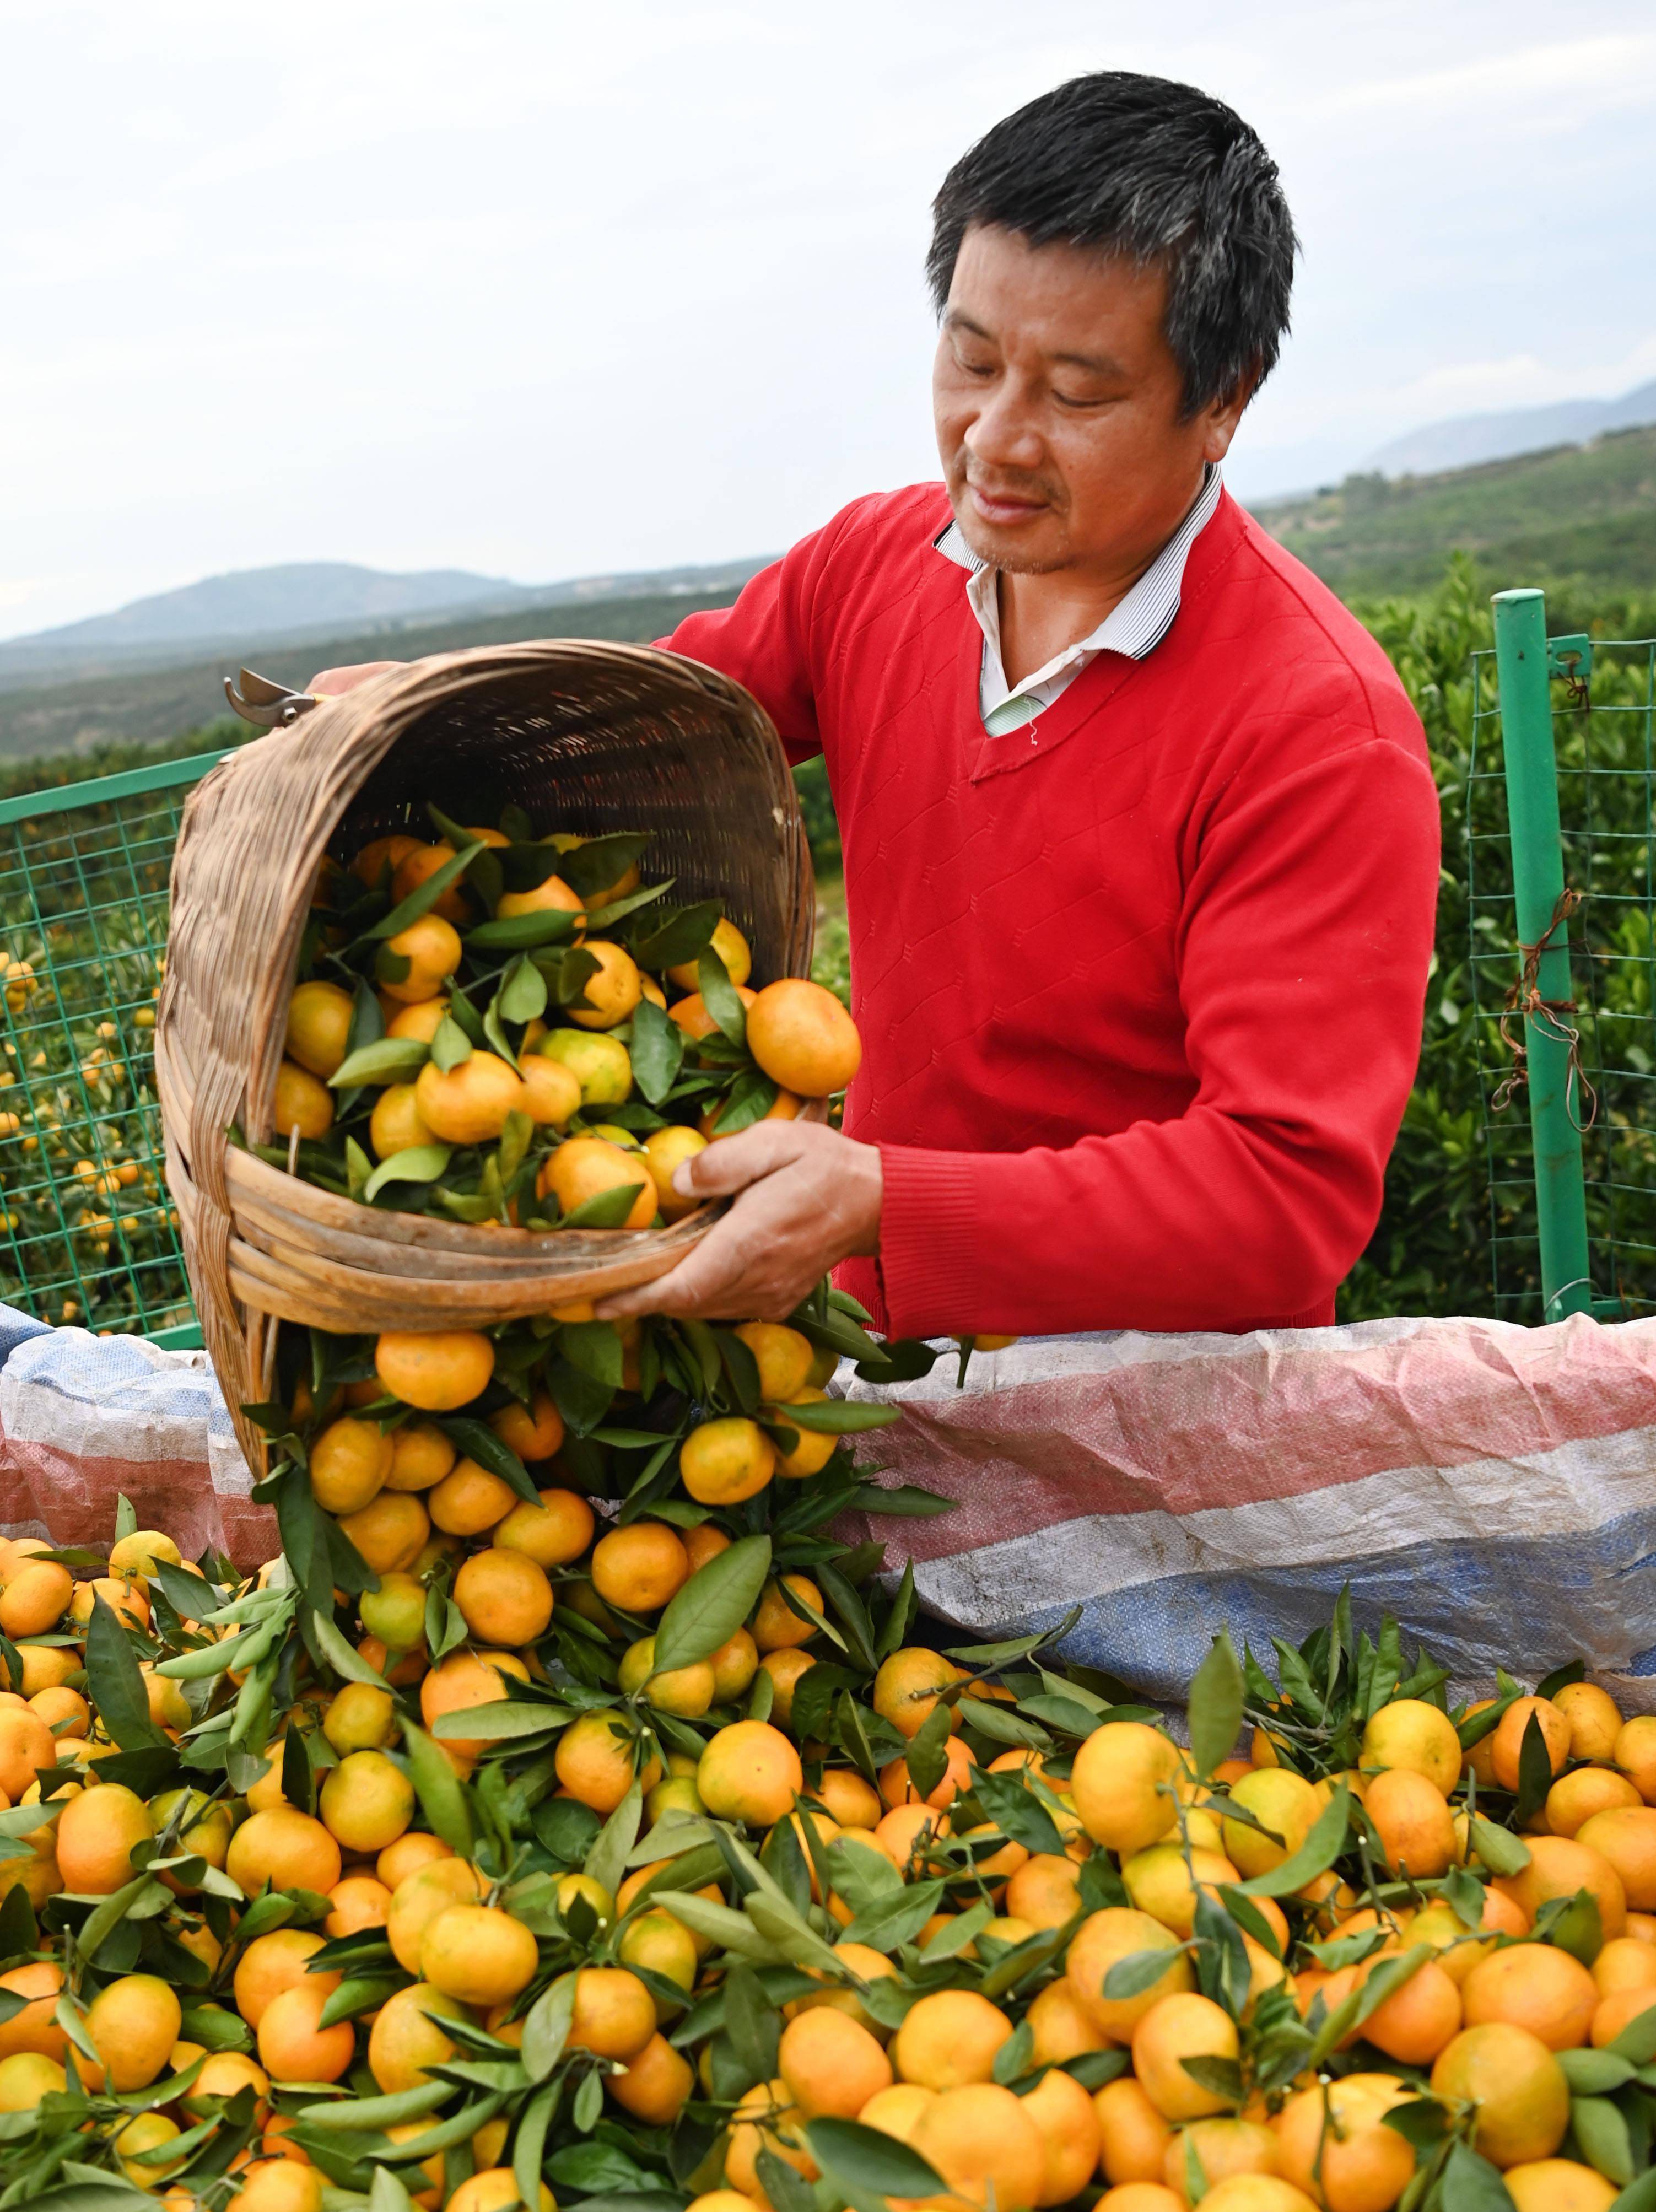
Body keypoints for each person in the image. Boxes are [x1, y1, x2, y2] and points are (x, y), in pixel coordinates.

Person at [321, 71, 1441, 1341]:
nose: (996, 439)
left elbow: (1280, 1197)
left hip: (1172, 1437)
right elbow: (631, 736)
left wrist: (887, 1201)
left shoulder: (1315, 731)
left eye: (1077, 394)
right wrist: (413, 715)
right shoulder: (872, 570)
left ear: (1225, 398)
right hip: (882, 1375)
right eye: (971, 359)